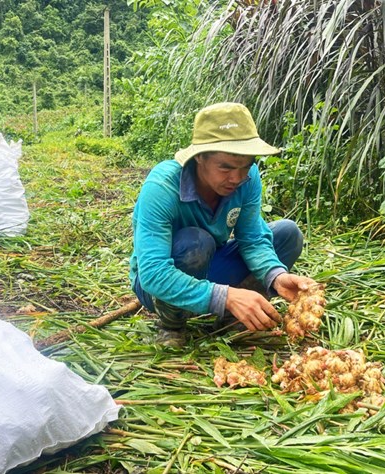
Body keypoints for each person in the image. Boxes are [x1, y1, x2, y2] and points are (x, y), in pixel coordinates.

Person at [129, 102, 317, 346]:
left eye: (245, 166)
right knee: (196, 242)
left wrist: (276, 276)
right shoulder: (162, 187)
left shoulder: (247, 180)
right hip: (160, 283)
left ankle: (234, 317)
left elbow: (252, 238)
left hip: (211, 266)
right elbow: (153, 273)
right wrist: (225, 296)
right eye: (225, 167)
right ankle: (172, 324)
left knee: (287, 233)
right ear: (200, 158)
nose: (236, 178)